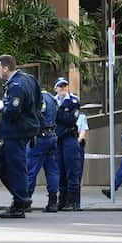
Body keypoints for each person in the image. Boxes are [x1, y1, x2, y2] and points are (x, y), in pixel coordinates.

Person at [0, 54, 40, 218]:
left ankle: (20, 203)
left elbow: (13, 111)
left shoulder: (17, 85)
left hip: (16, 132)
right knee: (1, 164)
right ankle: (22, 198)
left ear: (6, 68)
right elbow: (38, 102)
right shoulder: (29, 79)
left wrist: (1, 106)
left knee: (16, 168)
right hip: (20, 130)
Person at [25, 84, 61, 212]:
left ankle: (26, 200)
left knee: (31, 169)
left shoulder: (39, 98)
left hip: (40, 136)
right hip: (52, 135)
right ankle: (52, 201)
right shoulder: (52, 98)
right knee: (52, 170)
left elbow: (37, 115)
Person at [55, 77, 83, 211]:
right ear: (56, 88)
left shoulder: (73, 101)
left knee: (72, 169)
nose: (63, 89)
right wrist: (61, 116)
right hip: (58, 138)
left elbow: (71, 119)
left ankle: (72, 201)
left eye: (65, 86)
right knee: (60, 170)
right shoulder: (52, 101)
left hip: (69, 137)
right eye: (60, 87)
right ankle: (62, 200)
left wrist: (58, 115)